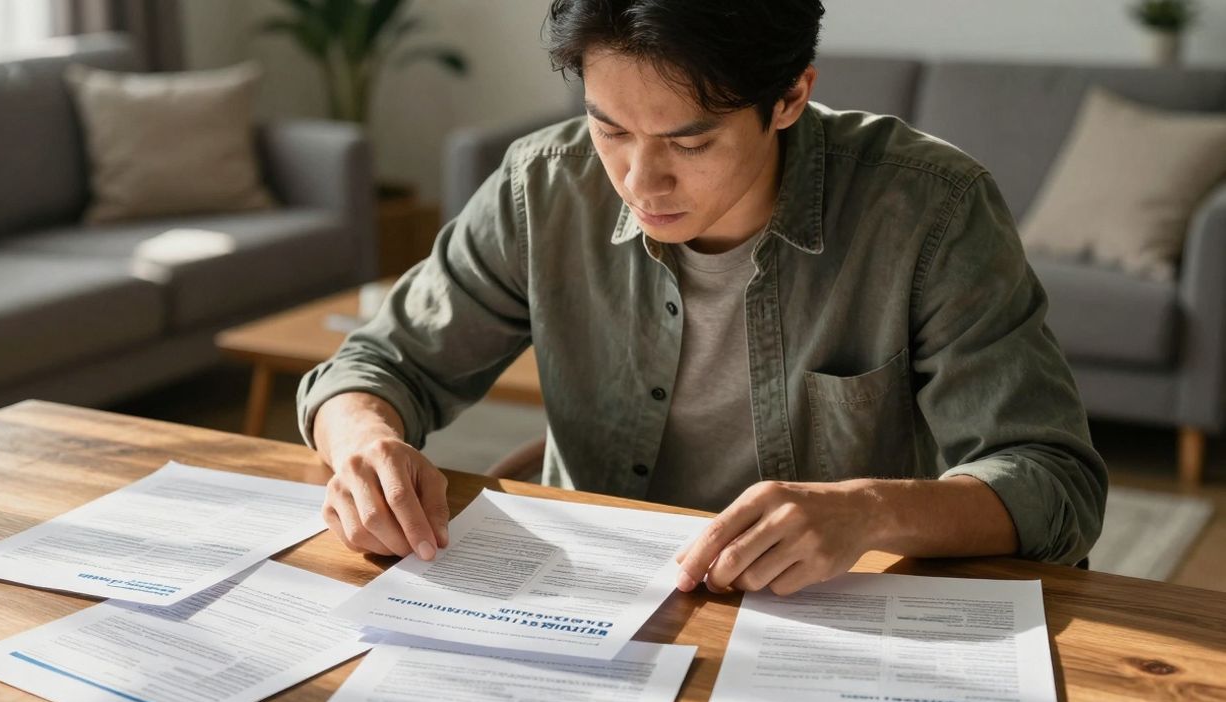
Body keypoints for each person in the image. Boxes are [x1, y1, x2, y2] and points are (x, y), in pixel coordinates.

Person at [297, 0, 1107, 596]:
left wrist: (865, 510)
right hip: (586, 600)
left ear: (790, 97)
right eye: (609, 129)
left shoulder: (931, 209)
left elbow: (1052, 479)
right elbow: (376, 362)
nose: (640, 183)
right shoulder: (542, 187)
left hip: (823, 615)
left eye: (689, 141)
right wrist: (366, 443)